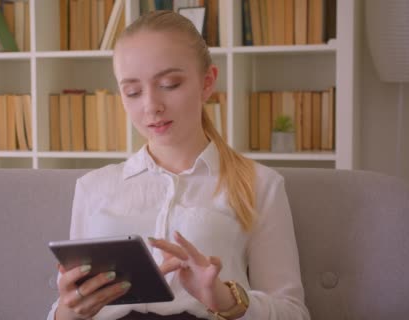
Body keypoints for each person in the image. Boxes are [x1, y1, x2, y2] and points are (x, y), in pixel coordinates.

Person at [47, 10, 310, 320]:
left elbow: (294, 313)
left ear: (207, 82)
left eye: (170, 84)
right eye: (132, 91)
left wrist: (226, 299)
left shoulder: (259, 184)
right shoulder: (93, 187)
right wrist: (69, 308)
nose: (151, 106)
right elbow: (62, 312)